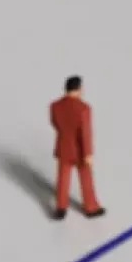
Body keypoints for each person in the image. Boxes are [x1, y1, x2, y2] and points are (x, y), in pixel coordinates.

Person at [49, 75, 105, 220]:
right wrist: (88, 153)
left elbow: (55, 124)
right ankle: (91, 207)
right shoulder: (84, 108)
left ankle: (61, 207)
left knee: (63, 179)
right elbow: (86, 133)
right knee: (86, 179)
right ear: (79, 89)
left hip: (63, 147)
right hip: (80, 151)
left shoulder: (55, 106)